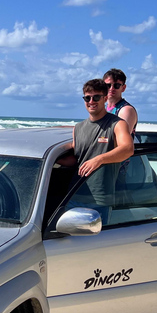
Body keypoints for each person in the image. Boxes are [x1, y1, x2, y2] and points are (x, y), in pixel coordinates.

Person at [60, 79, 134, 218]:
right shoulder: (78, 127)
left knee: (98, 240)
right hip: (73, 196)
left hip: (100, 201)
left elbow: (128, 149)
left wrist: (99, 160)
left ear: (105, 98)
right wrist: (55, 160)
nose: (91, 101)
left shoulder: (117, 124)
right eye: (87, 98)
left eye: (96, 97)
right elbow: (78, 159)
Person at [103, 68, 138, 137]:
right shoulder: (104, 108)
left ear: (123, 88)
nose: (111, 88)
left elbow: (120, 137)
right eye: (108, 85)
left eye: (116, 86)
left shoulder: (126, 110)